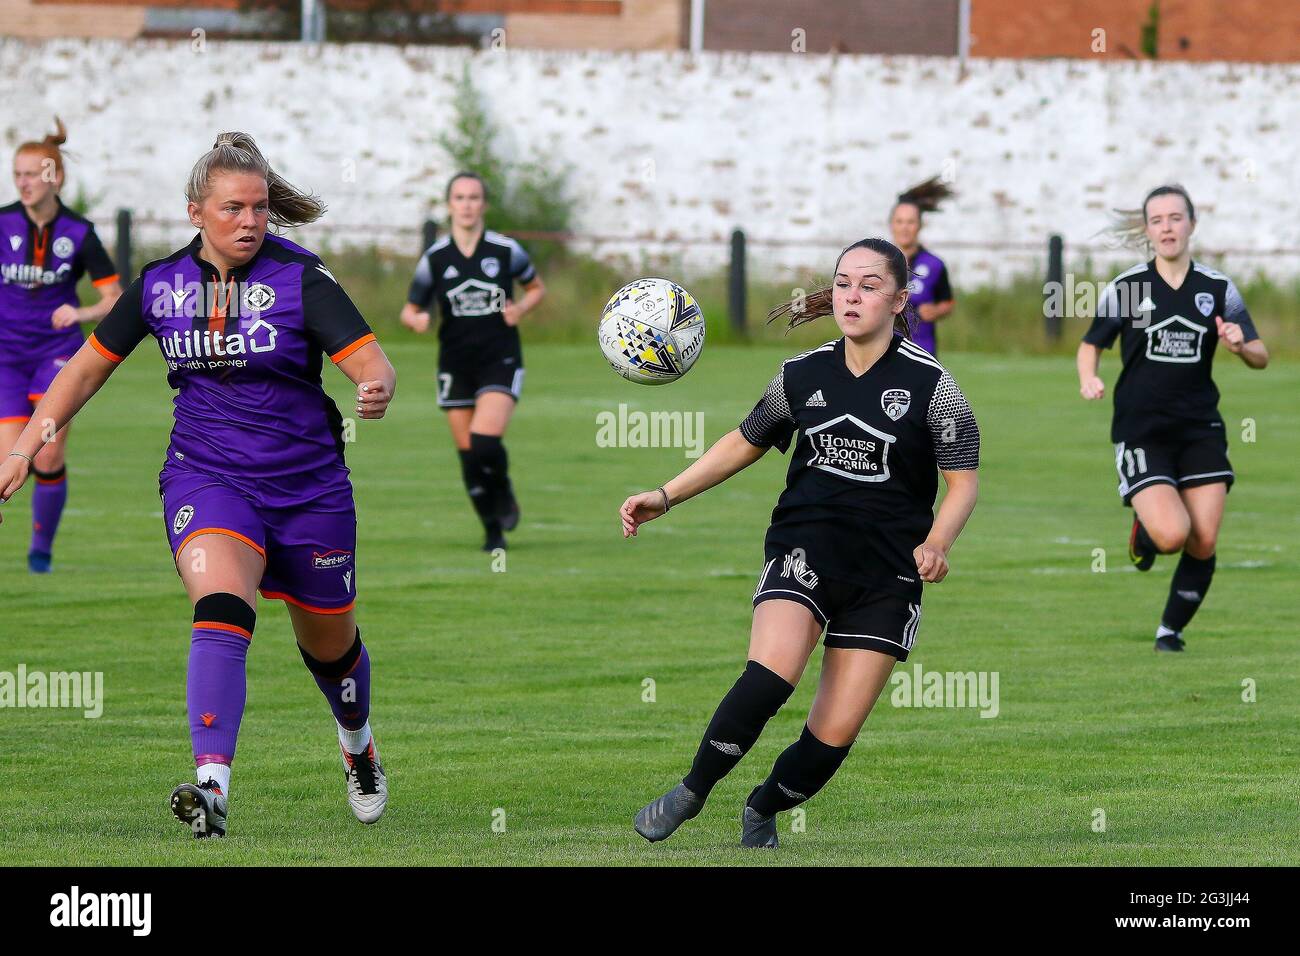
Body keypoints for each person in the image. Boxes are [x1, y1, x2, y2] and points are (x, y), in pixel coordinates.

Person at [0, 132, 397, 838]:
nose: (249, 221)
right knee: (219, 604)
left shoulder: (303, 278)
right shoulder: (158, 285)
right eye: (233, 208)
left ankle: (358, 743)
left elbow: (372, 361)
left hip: (309, 490)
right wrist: (27, 447)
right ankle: (212, 787)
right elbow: (85, 371)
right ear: (196, 212)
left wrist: (373, 385)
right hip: (206, 477)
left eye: (259, 207)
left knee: (331, 649)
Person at [625, 238, 980, 848]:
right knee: (770, 676)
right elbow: (745, 440)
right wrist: (666, 493)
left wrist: (939, 542)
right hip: (805, 547)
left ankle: (762, 806)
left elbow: (963, 482)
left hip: (888, 573)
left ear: (899, 300)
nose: (853, 295)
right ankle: (691, 790)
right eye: (844, 282)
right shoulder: (801, 374)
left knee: (830, 739)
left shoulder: (934, 387)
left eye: (870, 285)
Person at [1078, 184, 1268, 652]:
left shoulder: (1218, 288)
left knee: (1203, 540)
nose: (1167, 227)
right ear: (1147, 230)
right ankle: (1145, 531)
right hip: (1141, 431)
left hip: (1200, 427)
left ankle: (1170, 632)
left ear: (1192, 224)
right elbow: (1091, 343)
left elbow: (1262, 355)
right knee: (1172, 535)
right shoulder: (1128, 287)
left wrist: (1241, 347)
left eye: (1176, 217)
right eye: (1158, 219)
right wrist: (1089, 377)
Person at [0, 117, 121, 572]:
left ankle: (41, 550)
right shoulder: (2, 223)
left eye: (33, 174)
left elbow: (113, 298)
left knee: (47, 453)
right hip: (6, 357)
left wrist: (82, 312)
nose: (24, 183)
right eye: (18, 174)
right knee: (11, 462)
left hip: (57, 355)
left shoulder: (80, 233)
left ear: (56, 177)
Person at [400, 171, 545, 551]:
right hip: (455, 362)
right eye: (460, 198)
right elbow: (409, 309)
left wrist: (522, 308)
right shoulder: (435, 258)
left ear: (484, 204)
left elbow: (536, 288)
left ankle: (504, 489)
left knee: (484, 441)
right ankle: (492, 531)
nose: (467, 205)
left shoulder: (505, 250)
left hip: (500, 357)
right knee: (467, 454)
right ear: (450, 205)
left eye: (474, 197)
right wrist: (416, 318)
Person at [889, 177, 955, 356]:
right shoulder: (878, 263)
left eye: (910, 222)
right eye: (900, 222)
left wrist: (936, 310)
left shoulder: (934, 265)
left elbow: (948, 302)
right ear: (891, 225)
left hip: (923, 351)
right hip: (884, 351)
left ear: (919, 225)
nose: (905, 228)